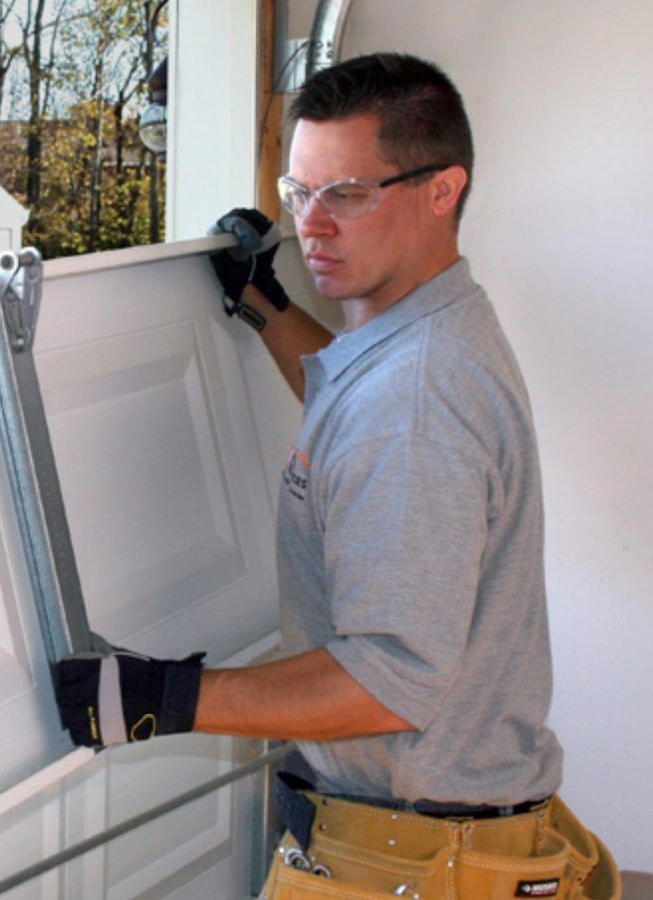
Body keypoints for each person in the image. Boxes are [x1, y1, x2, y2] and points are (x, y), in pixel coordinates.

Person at [54, 52, 620, 898]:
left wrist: (162, 698)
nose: (312, 224)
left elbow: (391, 681)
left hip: (416, 864)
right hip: (442, 837)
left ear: (443, 190)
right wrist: (267, 307)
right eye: (299, 193)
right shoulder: (430, 332)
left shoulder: (417, 400)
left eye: (347, 195)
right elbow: (353, 400)